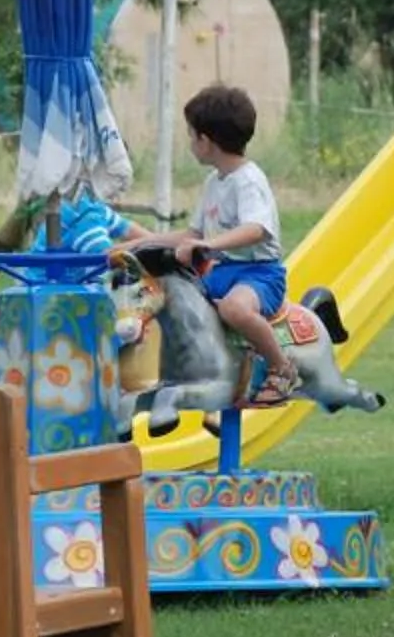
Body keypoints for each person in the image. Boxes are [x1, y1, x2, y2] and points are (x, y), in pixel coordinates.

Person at [122, 83, 297, 404]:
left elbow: (256, 229)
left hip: (258, 273)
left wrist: (209, 244)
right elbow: (192, 235)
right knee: (177, 305)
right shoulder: (213, 182)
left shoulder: (248, 180)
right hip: (223, 271)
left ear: (207, 140)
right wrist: (139, 244)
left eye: (192, 136)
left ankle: (282, 368)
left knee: (233, 308)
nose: (190, 143)